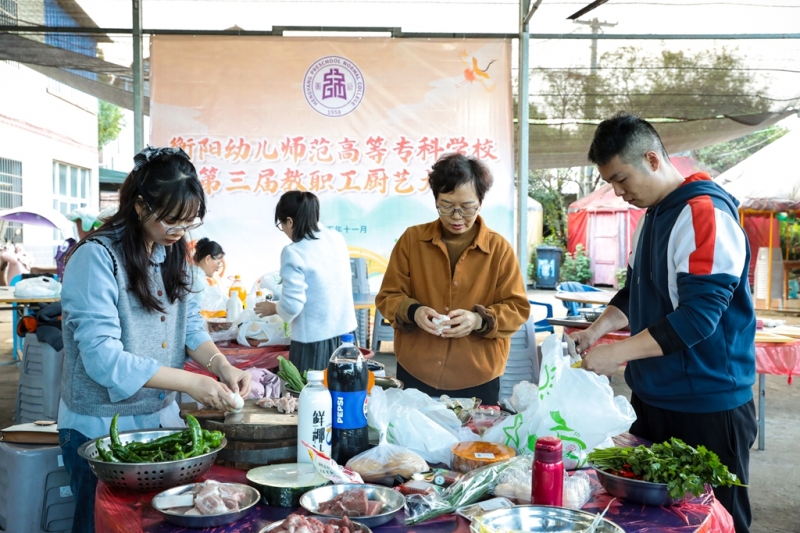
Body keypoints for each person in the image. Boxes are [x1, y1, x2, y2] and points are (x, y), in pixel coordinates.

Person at [571, 113, 757, 533]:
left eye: (621, 179)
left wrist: (616, 354)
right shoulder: (653, 216)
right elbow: (637, 292)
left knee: (717, 518)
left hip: (709, 405)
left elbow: (697, 318)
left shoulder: (703, 213)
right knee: (653, 517)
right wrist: (598, 330)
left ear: (652, 159)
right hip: (654, 399)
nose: (618, 193)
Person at [58, 146, 252, 533]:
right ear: (142, 206)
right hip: (99, 428)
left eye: (188, 222)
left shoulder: (171, 253)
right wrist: (192, 382)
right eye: (171, 221)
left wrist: (221, 365)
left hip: (160, 420)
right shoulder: (95, 258)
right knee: (100, 522)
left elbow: (191, 326)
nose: (179, 232)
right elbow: (103, 360)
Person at [375, 153, 530, 405]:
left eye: (467, 207)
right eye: (446, 206)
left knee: (474, 444)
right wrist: (413, 311)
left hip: (477, 375)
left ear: (480, 202)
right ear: (435, 199)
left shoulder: (499, 249)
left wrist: (478, 320)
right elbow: (388, 297)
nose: (457, 216)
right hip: (416, 370)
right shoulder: (412, 241)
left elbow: (517, 308)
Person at [254, 191, 357, 374]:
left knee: (308, 396)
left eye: (282, 225)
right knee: (341, 392)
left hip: (314, 343)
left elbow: (292, 306)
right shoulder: (336, 239)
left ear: (290, 221)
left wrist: (273, 308)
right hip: (346, 336)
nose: (284, 230)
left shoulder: (295, 252)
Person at [190, 237, 226, 308]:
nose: (217, 269)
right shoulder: (198, 281)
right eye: (218, 263)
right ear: (208, 259)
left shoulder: (190, 273)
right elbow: (197, 313)